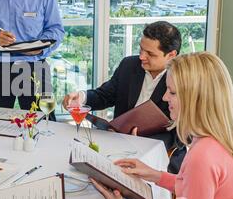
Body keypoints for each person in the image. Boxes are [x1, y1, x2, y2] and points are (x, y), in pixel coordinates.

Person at [90, 52, 233, 199]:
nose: (164, 98)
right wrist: (154, 174)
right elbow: (198, 188)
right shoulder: (232, 140)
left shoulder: (203, 156)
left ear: (196, 99)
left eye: (172, 92)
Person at [63, 21, 186, 173]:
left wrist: (142, 141)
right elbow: (105, 95)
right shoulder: (129, 65)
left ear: (171, 55)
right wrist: (81, 97)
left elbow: (183, 133)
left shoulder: (183, 79)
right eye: (141, 49)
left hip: (160, 158)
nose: (142, 56)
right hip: (117, 148)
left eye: (150, 54)